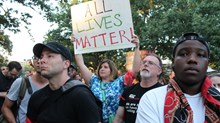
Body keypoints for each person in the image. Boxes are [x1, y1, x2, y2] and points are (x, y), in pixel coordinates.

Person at [136, 33, 220, 123]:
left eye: (200, 55)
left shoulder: (217, 98)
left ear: (207, 63)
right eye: (183, 54)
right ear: (173, 62)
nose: (192, 59)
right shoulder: (152, 99)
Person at [26, 42, 101, 123]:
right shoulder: (36, 97)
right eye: (41, 57)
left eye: (49, 56)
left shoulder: (81, 96)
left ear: (66, 64)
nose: (41, 61)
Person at [74, 41, 135, 123]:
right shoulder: (94, 81)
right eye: (101, 67)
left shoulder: (119, 82)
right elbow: (80, 63)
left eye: (105, 67)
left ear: (112, 70)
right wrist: (76, 43)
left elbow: (135, 72)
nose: (102, 69)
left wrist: (137, 47)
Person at [113, 35, 163, 123]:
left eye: (151, 63)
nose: (146, 64)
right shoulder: (128, 91)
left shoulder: (165, 93)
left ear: (159, 71)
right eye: (144, 62)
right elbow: (118, 118)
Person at [1, 56, 48, 123]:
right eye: (35, 58)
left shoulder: (59, 86)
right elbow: (5, 108)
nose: (39, 61)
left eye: (43, 57)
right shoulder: (20, 82)